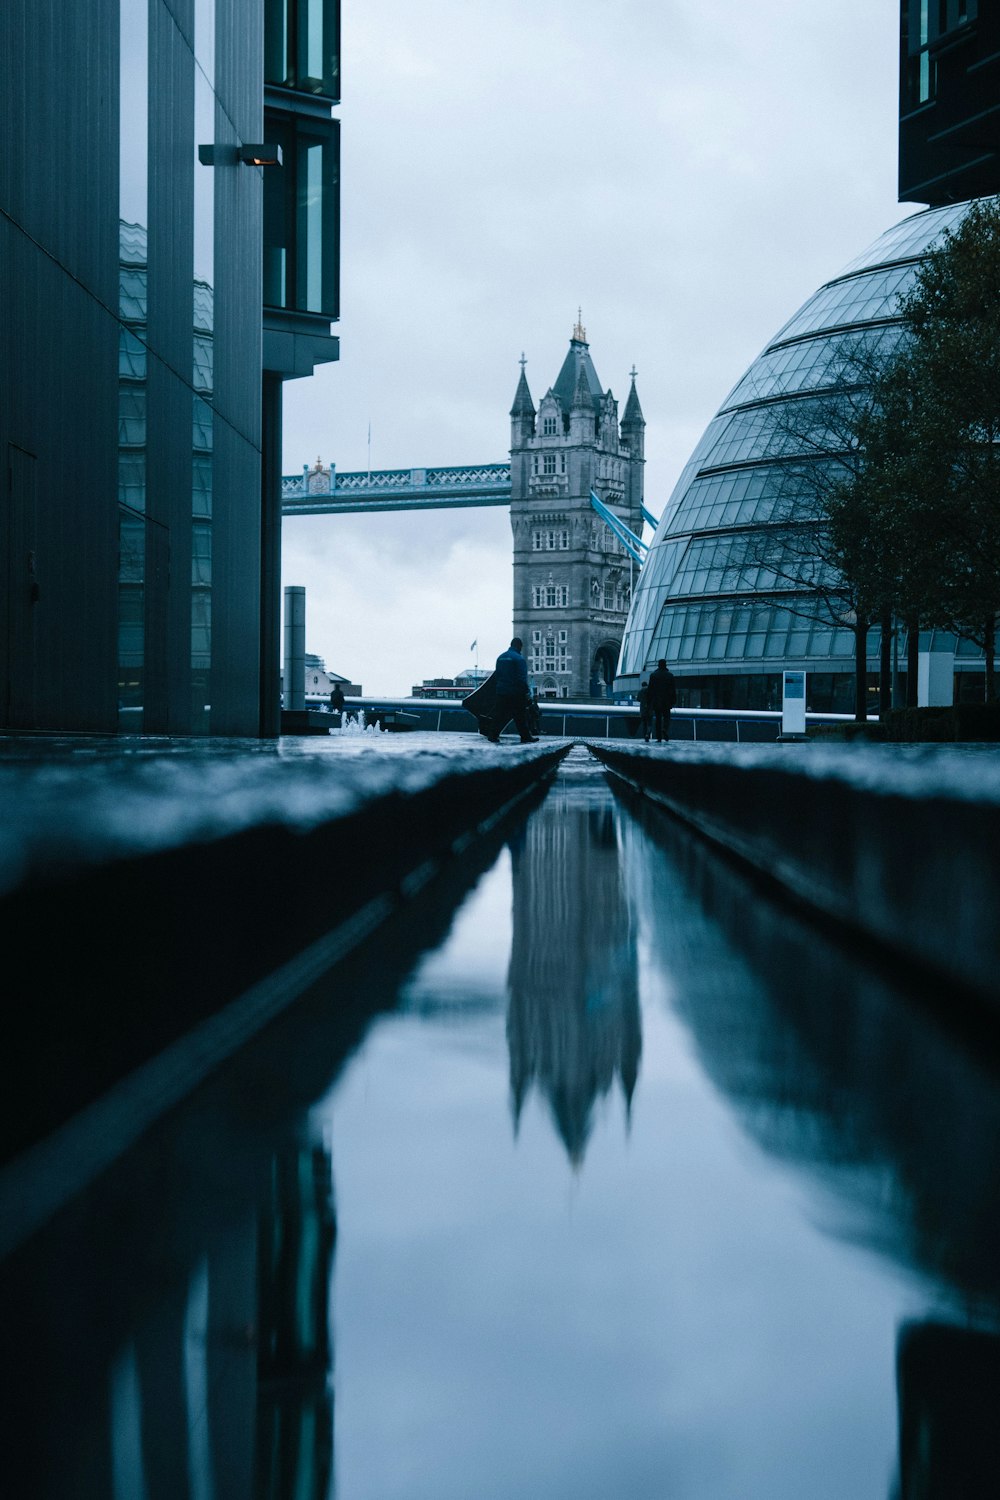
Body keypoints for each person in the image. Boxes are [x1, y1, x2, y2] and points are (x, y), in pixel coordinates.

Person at [488, 637, 537, 743]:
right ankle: (525, 736)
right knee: (520, 716)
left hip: (501, 691)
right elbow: (521, 678)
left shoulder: (500, 657)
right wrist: (526, 692)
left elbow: (497, 675)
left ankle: (492, 735)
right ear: (519, 646)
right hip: (516, 692)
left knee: (499, 714)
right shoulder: (519, 659)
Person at [646, 658, 677, 742]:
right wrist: (673, 700)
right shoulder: (670, 675)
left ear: (658, 665)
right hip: (667, 701)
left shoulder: (653, 675)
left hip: (656, 701)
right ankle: (665, 729)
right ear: (665, 665)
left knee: (658, 719)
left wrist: (649, 702)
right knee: (667, 717)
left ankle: (659, 737)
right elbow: (673, 689)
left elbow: (650, 690)